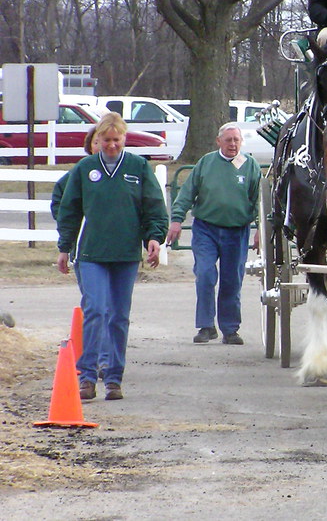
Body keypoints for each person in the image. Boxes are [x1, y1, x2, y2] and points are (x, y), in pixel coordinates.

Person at [56, 112, 167, 401]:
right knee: (95, 310)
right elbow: (69, 209)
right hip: (92, 253)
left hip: (125, 254)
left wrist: (154, 238)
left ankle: (114, 377)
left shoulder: (138, 167)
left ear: (124, 139)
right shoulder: (85, 169)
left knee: (119, 316)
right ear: (98, 140)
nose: (111, 146)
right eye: (106, 140)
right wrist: (64, 247)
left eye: (116, 140)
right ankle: (88, 376)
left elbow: (154, 207)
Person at [167, 123, 261, 345]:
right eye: (228, 140)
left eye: (236, 140)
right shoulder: (206, 163)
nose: (232, 144)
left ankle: (230, 329)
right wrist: (177, 220)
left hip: (236, 231)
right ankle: (206, 326)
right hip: (206, 229)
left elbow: (258, 200)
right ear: (219, 141)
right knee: (206, 274)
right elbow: (187, 192)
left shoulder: (250, 165)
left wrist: (261, 229)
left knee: (232, 280)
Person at [51, 127, 111, 379]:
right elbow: (60, 204)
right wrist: (71, 235)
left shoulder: (123, 173)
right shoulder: (78, 173)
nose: (103, 146)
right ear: (91, 145)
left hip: (116, 252)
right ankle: (94, 359)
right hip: (86, 251)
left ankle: (107, 359)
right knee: (95, 306)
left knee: (112, 309)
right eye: (99, 142)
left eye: (108, 140)